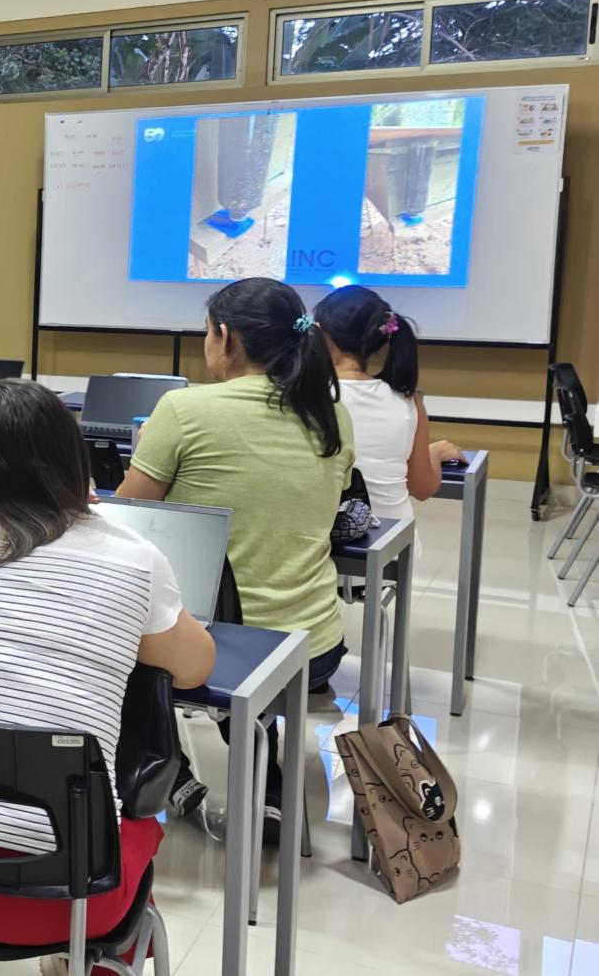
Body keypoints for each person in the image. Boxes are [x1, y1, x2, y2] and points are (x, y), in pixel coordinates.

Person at [0, 379, 214, 976]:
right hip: (68, 901)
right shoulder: (133, 555)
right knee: (143, 817)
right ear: (75, 459)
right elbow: (196, 667)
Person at [117, 277, 354, 835]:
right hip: (315, 645)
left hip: (224, 644)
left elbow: (125, 519)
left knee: (125, 639)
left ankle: (167, 773)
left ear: (225, 338)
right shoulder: (331, 416)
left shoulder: (182, 409)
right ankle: (264, 784)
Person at [314, 285, 463, 523]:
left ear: (320, 335)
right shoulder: (407, 399)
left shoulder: (308, 396)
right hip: (394, 544)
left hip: (326, 540)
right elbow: (422, 488)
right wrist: (434, 454)